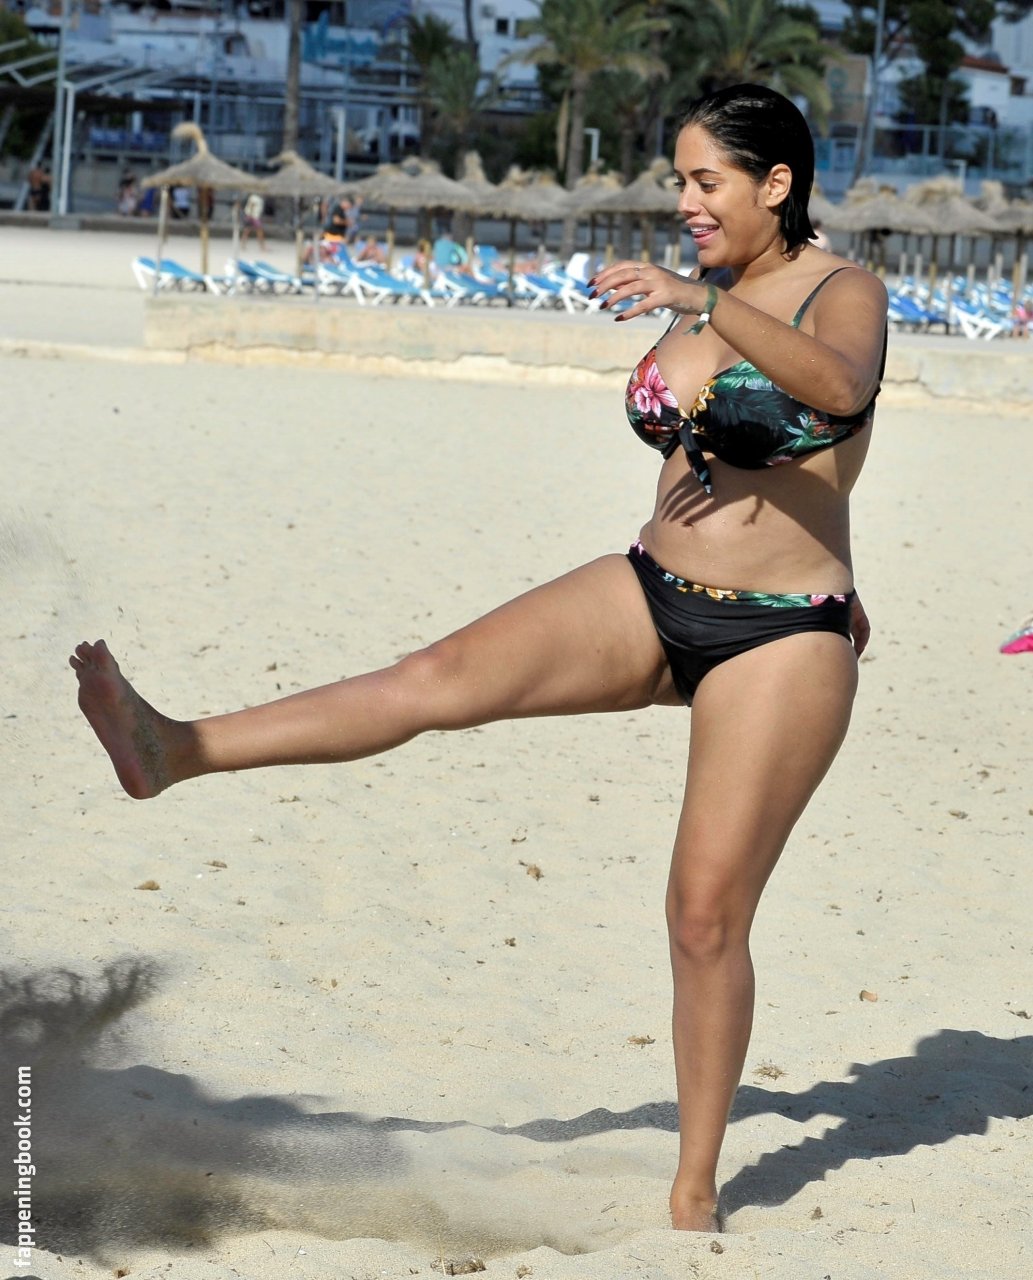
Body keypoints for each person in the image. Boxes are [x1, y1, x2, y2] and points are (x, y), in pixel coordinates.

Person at [69, 84, 887, 1234]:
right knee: (431, 680)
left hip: (782, 633)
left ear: (776, 182)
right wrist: (699, 318)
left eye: (705, 181)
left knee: (703, 913)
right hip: (653, 587)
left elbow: (839, 388)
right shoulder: (705, 289)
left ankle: (693, 1191)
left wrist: (701, 301)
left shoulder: (840, 288)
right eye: (679, 180)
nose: (685, 202)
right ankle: (176, 746)